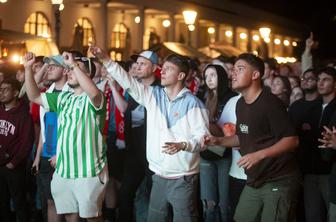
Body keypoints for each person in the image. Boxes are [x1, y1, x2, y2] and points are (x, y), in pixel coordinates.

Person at [90, 46, 209, 222]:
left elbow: (203, 138)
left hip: (183, 177)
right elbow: (128, 81)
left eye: (168, 69)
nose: (163, 71)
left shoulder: (194, 104)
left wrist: (184, 145)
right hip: (158, 175)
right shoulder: (153, 95)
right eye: (163, 67)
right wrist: (106, 60)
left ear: (181, 76)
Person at [204, 53, 300, 222]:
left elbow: (292, 140)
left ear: (255, 75)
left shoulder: (271, 103)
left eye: (240, 69)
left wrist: (259, 154)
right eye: (233, 70)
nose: (233, 74)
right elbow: (242, 136)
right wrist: (218, 141)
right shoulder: (241, 104)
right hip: (255, 179)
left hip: (278, 179)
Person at [23, 51, 108, 222]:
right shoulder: (63, 98)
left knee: (92, 218)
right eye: (68, 69)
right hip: (63, 171)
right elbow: (34, 96)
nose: (69, 71)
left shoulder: (95, 97)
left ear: (87, 75)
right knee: (70, 216)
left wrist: (73, 64)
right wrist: (27, 69)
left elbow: (93, 94)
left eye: (74, 69)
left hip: (89, 172)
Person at [32, 55, 70, 222]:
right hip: (48, 154)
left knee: (69, 205)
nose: (49, 68)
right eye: (49, 66)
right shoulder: (48, 92)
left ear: (65, 69)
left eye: (54, 65)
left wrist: (61, 155)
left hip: (67, 156)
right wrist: (38, 156)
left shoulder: (73, 92)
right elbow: (45, 128)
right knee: (50, 202)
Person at [199, 64, 236, 222]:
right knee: (209, 202)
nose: (209, 79)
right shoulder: (203, 97)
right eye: (206, 76)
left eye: (213, 75)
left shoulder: (231, 97)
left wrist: (211, 124)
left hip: (225, 153)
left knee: (224, 202)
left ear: (221, 76)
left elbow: (233, 127)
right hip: (206, 153)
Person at [0, 77, 35, 222]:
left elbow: (27, 142)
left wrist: (14, 162)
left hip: (14, 167)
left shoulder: (23, 115)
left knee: (19, 202)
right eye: (0, 90)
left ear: (15, 93)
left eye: (5, 90)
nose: (1, 93)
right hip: (0, 165)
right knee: (2, 204)